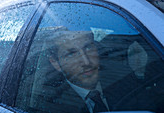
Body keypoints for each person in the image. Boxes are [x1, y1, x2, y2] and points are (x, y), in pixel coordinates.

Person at [28, 30, 164, 113]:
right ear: (55, 63)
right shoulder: (49, 105)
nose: (86, 62)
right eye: (71, 54)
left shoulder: (124, 83)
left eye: (88, 48)